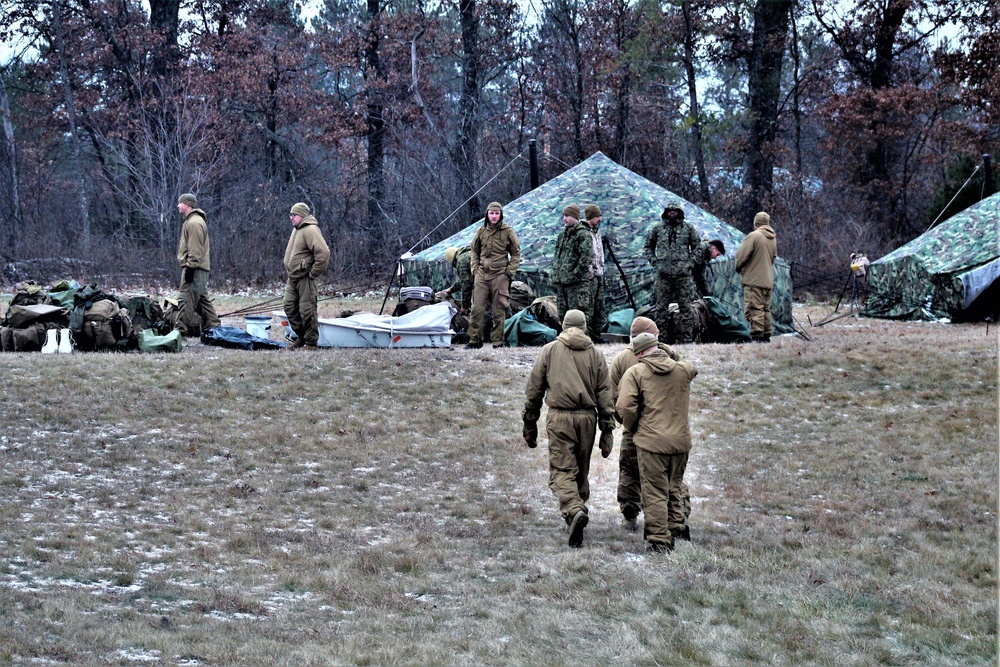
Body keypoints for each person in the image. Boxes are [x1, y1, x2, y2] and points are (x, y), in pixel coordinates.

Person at [522, 309, 615, 549]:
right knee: (580, 471)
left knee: (562, 470)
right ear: (584, 327)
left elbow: (535, 389)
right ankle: (575, 515)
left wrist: (529, 421)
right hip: (587, 419)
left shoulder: (550, 351)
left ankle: (574, 511)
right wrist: (607, 429)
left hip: (560, 416)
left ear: (563, 325)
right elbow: (605, 392)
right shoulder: (595, 354)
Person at [616, 331, 698, 554]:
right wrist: (668, 350)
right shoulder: (682, 371)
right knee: (674, 487)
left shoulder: (636, 373)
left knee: (654, 492)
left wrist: (634, 428)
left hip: (651, 443)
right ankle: (678, 528)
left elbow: (624, 408)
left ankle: (660, 540)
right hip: (680, 442)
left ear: (639, 352)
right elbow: (690, 365)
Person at [643, 202, 702, 344]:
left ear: (679, 212)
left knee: (686, 309)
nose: (672, 213)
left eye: (675, 211)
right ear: (666, 212)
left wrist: (690, 264)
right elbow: (648, 247)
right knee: (660, 310)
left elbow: (698, 248)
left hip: (683, 276)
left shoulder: (688, 228)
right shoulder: (657, 229)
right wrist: (655, 262)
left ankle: (687, 340)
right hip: (663, 276)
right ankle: (661, 341)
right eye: (669, 211)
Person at [467, 202, 520, 349]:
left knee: (499, 310)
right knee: (477, 308)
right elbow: (474, 251)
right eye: (491, 213)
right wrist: (475, 269)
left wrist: (509, 272)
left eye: (497, 213)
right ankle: (474, 340)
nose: (494, 216)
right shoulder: (481, 231)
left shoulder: (508, 231)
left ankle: (497, 341)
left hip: (500, 275)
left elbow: (516, 253)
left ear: (501, 214)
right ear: (487, 214)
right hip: (482, 274)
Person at [283, 202, 331, 350]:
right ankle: (301, 337)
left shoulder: (310, 229)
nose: (291, 217)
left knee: (307, 310)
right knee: (289, 306)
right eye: (290, 214)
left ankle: (311, 343)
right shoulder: (296, 229)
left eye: (294, 215)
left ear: (302, 215)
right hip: (293, 278)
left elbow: (323, 252)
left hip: (305, 278)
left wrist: (313, 273)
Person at [174, 193, 221, 336]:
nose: (178, 205)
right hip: (197, 269)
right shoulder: (193, 221)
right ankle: (215, 327)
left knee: (186, 299)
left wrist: (190, 268)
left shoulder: (194, 223)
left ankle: (178, 333)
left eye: (180, 203)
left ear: (187, 205)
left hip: (195, 269)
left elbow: (195, 250)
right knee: (201, 300)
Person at [734, 212, 777, 342]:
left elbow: (742, 256)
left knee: (753, 309)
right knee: (765, 309)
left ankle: (757, 336)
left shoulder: (754, 236)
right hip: (768, 280)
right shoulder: (772, 238)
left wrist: (738, 267)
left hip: (754, 280)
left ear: (755, 223)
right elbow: (773, 257)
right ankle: (766, 334)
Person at [552, 204, 593, 320]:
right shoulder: (563, 235)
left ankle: (580, 338)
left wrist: (574, 274)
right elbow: (558, 257)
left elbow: (586, 258)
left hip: (576, 285)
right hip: (562, 284)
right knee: (563, 316)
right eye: (564, 216)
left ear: (575, 216)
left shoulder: (583, 235)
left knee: (577, 317)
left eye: (567, 216)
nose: (564, 219)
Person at [584, 204, 608, 343]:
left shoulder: (596, 232)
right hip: (590, 276)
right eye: (597, 216)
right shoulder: (584, 233)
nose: (600, 219)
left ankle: (598, 335)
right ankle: (588, 336)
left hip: (599, 274)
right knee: (589, 307)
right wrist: (590, 271)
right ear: (591, 217)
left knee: (599, 307)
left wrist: (601, 268)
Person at [443, 245, 473, 315]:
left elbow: (466, 284)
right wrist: (452, 289)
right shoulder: (468, 253)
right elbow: (466, 279)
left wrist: (465, 306)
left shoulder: (461, 261)